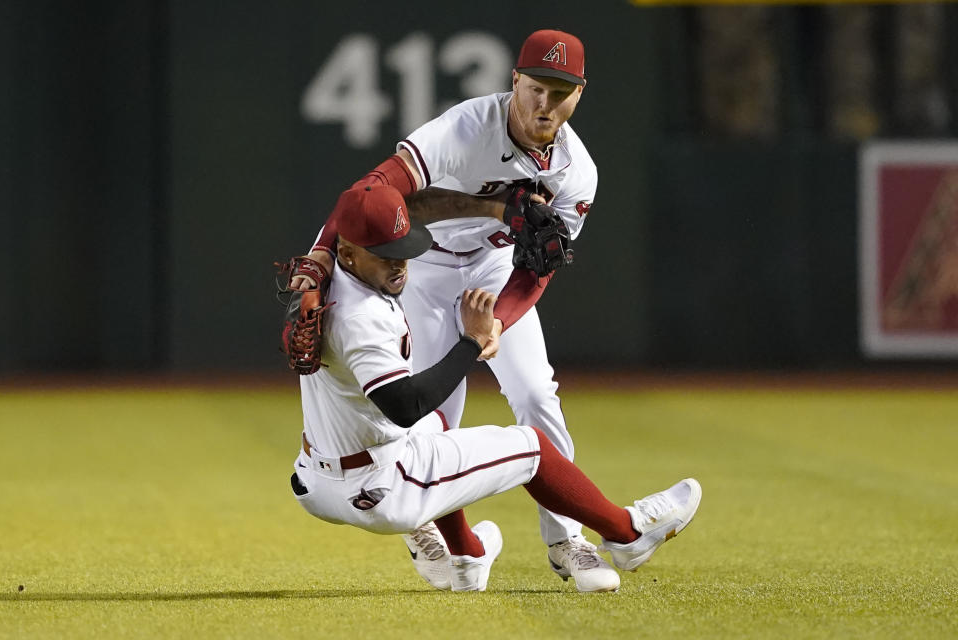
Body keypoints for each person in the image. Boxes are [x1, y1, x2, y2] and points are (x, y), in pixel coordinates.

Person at [291, 28, 629, 592]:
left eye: (560, 90)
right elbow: (373, 189)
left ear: (579, 93)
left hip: (494, 270)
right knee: (430, 411)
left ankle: (568, 539)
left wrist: (498, 323)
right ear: (514, 81)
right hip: (422, 263)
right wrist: (323, 251)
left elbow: (538, 265)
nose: (545, 102)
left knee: (533, 391)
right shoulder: (466, 127)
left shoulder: (578, 172)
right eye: (536, 87)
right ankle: (447, 541)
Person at [288, 183, 702, 592]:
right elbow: (404, 405)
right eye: (385, 254)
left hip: (315, 482)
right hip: (382, 488)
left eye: (404, 249)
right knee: (532, 448)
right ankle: (628, 534)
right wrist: (470, 340)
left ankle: (467, 558)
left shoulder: (322, 283)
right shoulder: (364, 317)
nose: (400, 264)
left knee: (435, 429)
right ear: (346, 252)